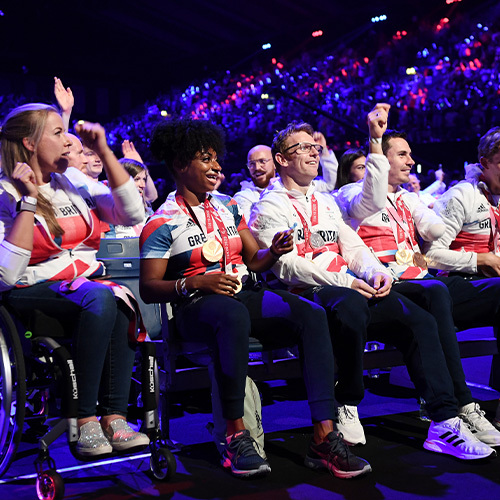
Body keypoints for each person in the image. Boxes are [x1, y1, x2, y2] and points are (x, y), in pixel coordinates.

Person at [249, 118, 497, 460]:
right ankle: (347, 400)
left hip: (352, 286)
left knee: (421, 320)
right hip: (306, 293)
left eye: (315, 147)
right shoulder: (267, 206)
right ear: (281, 159)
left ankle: (444, 420)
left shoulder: (324, 201)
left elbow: (352, 247)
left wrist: (375, 272)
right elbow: (288, 266)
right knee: (351, 304)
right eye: (302, 148)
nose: (312, 153)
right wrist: (349, 280)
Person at [139, 117, 372, 479]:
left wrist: (276, 252)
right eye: (206, 159)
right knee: (231, 316)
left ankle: (324, 438)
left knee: (311, 315)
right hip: (195, 306)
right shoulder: (161, 221)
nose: (217, 167)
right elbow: (149, 286)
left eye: (217, 159)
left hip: (239, 293)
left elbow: (254, 260)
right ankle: (235, 437)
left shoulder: (229, 207)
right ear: (180, 164)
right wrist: (196, 283)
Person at [336, 103, 500, 447]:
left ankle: (471, 406)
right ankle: (460, 404)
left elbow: (434, 230)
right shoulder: (352, 194)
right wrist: (376, 140)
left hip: (424, 283)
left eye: (410, 155)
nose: (411, 162)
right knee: (436, 294)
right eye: (403, 154)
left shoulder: (407, 200)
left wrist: (470, 197)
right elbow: (373, 196)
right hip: (391, 289)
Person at [0, 103, 149, 457]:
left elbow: (132, 212)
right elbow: (7, 275)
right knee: (100, 296)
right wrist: (29, 202)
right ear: (30, 143)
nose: (68, 141)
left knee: (123, 296)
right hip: (29, 290)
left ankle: (114, 416)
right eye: (57, 133)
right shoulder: (6, 191)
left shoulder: (71, 180)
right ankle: (82, 419)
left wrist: (104, 152)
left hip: (83, 285)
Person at [426, 126, 500, 428]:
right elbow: (428, 255)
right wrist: (477, 259)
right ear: (483, 162)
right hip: (453, 287)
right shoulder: (461, 195)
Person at [234, 132, 337, 221]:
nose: (257, 168)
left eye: (262, 162)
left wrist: (324, 151)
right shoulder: (244, 197)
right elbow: (251, 231)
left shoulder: (295, 185)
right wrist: (269, 193)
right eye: (251, 164)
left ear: (275, 163)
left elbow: (329, 184)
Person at [104, 158, 152, 238]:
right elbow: (110, 244)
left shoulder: (147, 210)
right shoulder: (108, 209)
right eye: (137, 179)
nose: (142, 185)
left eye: (144, 179)